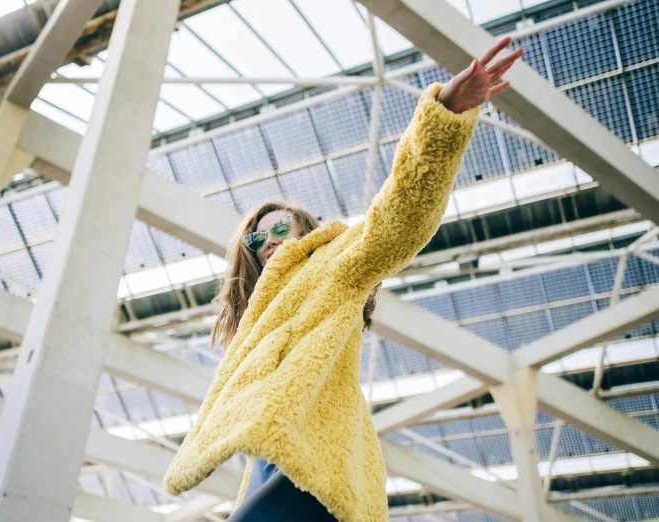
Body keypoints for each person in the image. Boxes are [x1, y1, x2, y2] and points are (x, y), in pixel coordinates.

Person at [164, 36, 524, 522]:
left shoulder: (334, 264)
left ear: (306, 234)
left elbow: (400, 216)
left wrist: (444, 114)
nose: (266, 239)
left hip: (317, 464)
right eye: (255, 237)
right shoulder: (254, 330)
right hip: (274, 466)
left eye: (278, 228)